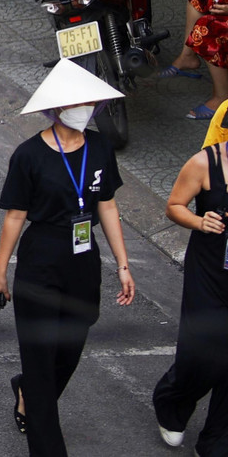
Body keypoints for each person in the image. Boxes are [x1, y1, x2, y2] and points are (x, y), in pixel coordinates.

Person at [0, 60, 134, 454]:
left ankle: (28, 392)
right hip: (41, 260)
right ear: (57, 108)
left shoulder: (100, 147)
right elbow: (15, 216)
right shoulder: (29, 155)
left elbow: (107, 205)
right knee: (39, 360)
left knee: (67, 352)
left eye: (91, 102)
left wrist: (122, 264)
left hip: (83, 262)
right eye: (77, 102)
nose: (85, 108)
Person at [153, 108, 228, 450]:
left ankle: (216, 441)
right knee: (202, 355)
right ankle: (171, 400)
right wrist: (200, 222)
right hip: (209, 271)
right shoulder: (203, 163)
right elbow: (175, 206)